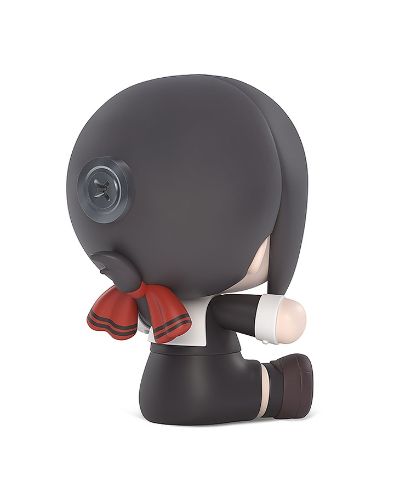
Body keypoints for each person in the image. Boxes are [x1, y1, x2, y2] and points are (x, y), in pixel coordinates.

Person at [67, 74, 313, 425]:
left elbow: (144, 321)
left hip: (155, 395)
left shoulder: (148, 300)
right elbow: (286, 322)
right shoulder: (185, 304)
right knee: (285, 378)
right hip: (217, 390)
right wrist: (276, 314)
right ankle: (278, 389)